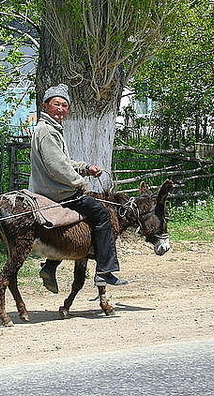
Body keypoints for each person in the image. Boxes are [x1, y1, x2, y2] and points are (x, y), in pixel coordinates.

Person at [29, 83, 128, 294]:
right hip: (57, 190)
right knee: (102, 214)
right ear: (45, 106)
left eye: (65, 105)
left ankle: (50, 265)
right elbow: (57, 168)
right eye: (56, 104)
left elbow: (63, 161)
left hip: (51, 188)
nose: (61, 109)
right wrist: (80, 182)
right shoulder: (46, 131)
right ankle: (105, 270)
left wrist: (85, 168)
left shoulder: (50, 129)